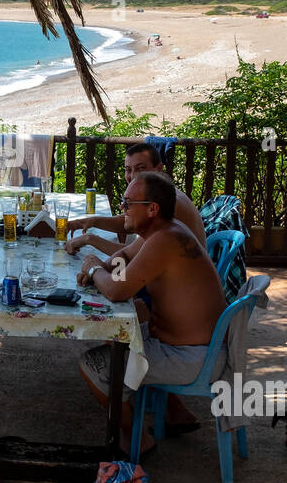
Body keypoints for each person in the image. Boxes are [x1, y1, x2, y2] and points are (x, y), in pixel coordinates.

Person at [74, 172, 227, 455]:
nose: (122, 209)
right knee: (115, 337)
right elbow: (125, 258)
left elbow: (118, 291)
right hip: (186, 346)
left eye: (128, 203)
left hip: (193, 358)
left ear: (152, 209)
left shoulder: (165, 240)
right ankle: (145, 410)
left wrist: (95, 269)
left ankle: (137, 438)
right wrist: (103, 268)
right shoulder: (163, 230)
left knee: (92, 364)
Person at [65, 140, 206, 256]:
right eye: (128, 169)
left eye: (140, 168)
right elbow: (131, 222)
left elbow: (132, 255)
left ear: (159, 169)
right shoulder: (161, 192)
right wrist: (92, 221)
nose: (132, 176)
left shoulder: (169, 203)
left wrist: (89, 239)